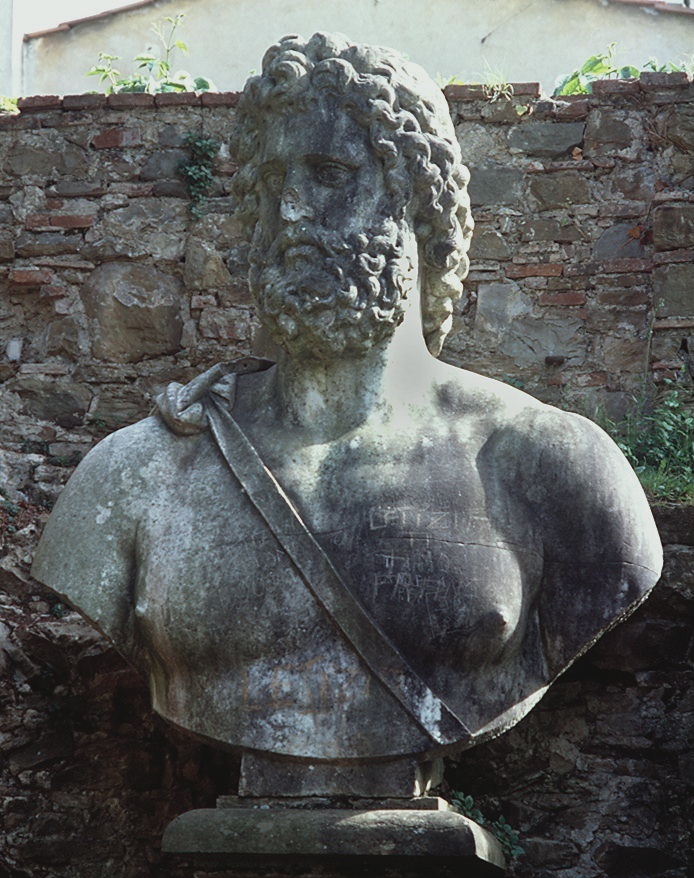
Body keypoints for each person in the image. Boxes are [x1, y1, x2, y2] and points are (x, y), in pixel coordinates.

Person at [33, 33, 662, 768]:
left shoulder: (556, 468)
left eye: (330, 173)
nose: (292, 213)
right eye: (272, 186)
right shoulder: (135, 477)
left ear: (421, 211)